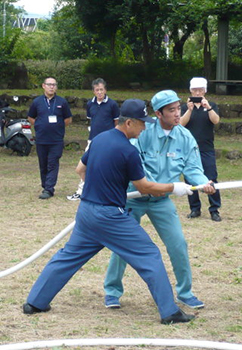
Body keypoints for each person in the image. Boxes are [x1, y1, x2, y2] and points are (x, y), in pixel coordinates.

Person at [22, 99, 195, 325]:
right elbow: (144, 187)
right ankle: (170, 312)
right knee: (149, 255)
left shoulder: (100, 139)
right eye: (142, 124)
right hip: (110, 216)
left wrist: (97, 185)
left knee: (67, 257)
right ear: (129, 123)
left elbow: (80, 169)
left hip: (86, 212)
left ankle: (35, 302)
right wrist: (175, 187)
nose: (144, 128)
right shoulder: (128, 151)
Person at [104, 90, 215, 310]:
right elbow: (136, 165)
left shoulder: (184, 137)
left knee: (178, 244)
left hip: (162, 200)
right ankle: (112, 291)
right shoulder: (142, 131)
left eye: (179, 108)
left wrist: (203, 183)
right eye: (171, 110)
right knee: (123, 246)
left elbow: (192, 167)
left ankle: (185, 293)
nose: (177, 114)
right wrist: (152, 187)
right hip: (133, 198)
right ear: (158, 113)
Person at [67, 78, 119, 201]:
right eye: (97, 90)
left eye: (102, 89)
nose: (100, 92)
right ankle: (82, 191)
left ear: (105, 90)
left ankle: (107, 191)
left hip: (108, 141)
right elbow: (92, 120)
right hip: (93, 140)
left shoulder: (112, 104)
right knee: (84, 166)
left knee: (108, 166)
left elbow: (116, 123)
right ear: (93, 91)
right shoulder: (90, 103)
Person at [180, 77, 222, 222]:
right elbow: (180, 124)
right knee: (190, 179)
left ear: (205, 91)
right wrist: (189, 110)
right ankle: (194, 208)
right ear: (190, 91)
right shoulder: (185, 107)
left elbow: (216, 120)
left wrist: (208, 107)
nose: (197, 93)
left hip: (206, 147)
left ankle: (214, 209)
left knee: (211, 177)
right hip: (189, 149)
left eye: (200, 90)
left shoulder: (212, 105)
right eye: (194, 90)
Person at [28, 77, 72, 199]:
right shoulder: (37, 102)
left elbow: (68, 119)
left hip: (56, 140)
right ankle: (45, 186)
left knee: (52, 163)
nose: (51, 87)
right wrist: (39, 125)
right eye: (49, 84)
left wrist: (58, 127)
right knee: (43, 164)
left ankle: (49, 188)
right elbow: (31, 117)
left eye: (54, 84)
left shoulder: (62, 102)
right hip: (41, 139)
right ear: (43, 86)